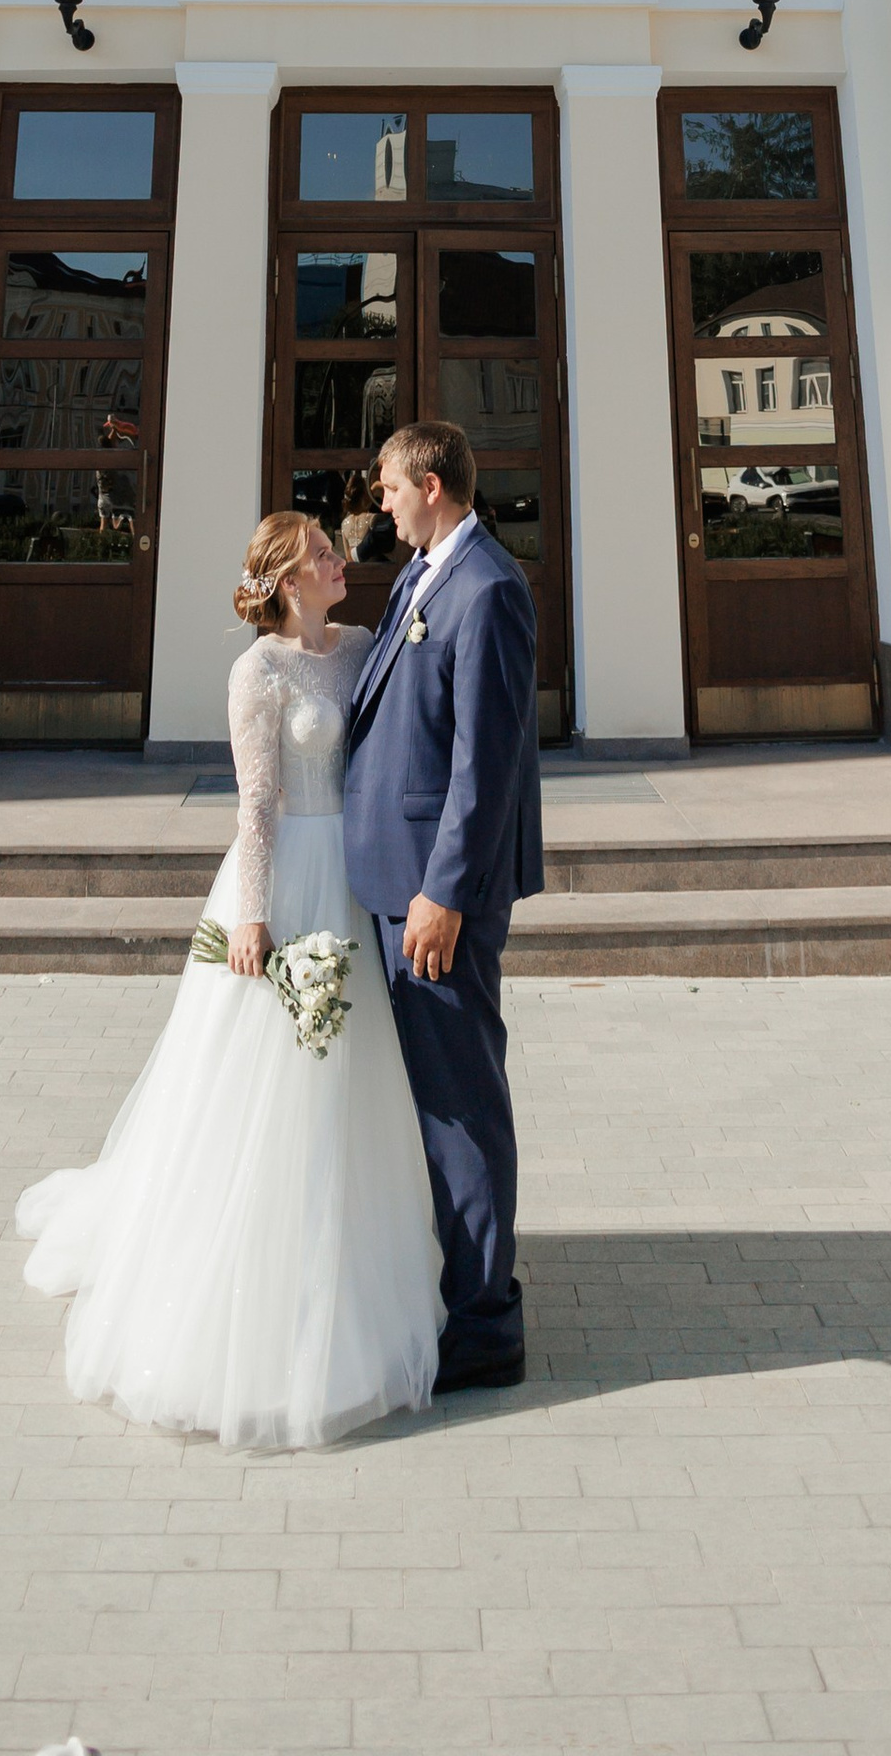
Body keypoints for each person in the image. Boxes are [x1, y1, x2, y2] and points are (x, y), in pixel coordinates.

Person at [15, 510, 442, 1449]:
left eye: (336, 549)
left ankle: (346, 1258)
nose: (341, 561)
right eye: (325, 555)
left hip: (356, 880)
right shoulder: (259, 675)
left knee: (349, 1074)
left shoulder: (363, 646)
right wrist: (252, 917)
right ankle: (241, 1266)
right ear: (290, 581)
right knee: (265, 1074)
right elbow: (256, 806)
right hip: (287, 877)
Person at [342, 420, 545, 1391]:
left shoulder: (489, 588)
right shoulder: (422, 576)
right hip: (394, 877)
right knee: (430, 1096)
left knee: (460, 1102)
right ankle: (457, 1276)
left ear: (429, 483)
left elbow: (487, 759)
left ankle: (484, 1323)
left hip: (434, 893)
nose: (377, 500)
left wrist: (445, 892)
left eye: (385, 486)